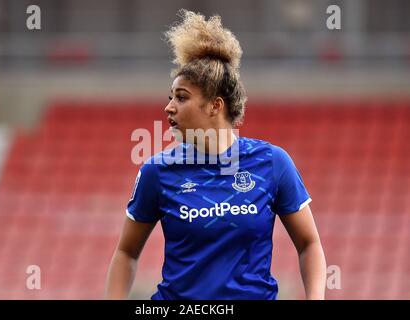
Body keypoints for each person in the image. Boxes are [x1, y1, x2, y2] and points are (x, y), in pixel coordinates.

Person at [105, 9, 326, 300]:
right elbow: (126, 252)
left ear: (215, 106)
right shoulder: (156, 172)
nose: (169, 107)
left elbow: (309, 244)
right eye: (170, 97)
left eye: (181, 97)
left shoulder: (273, 163)